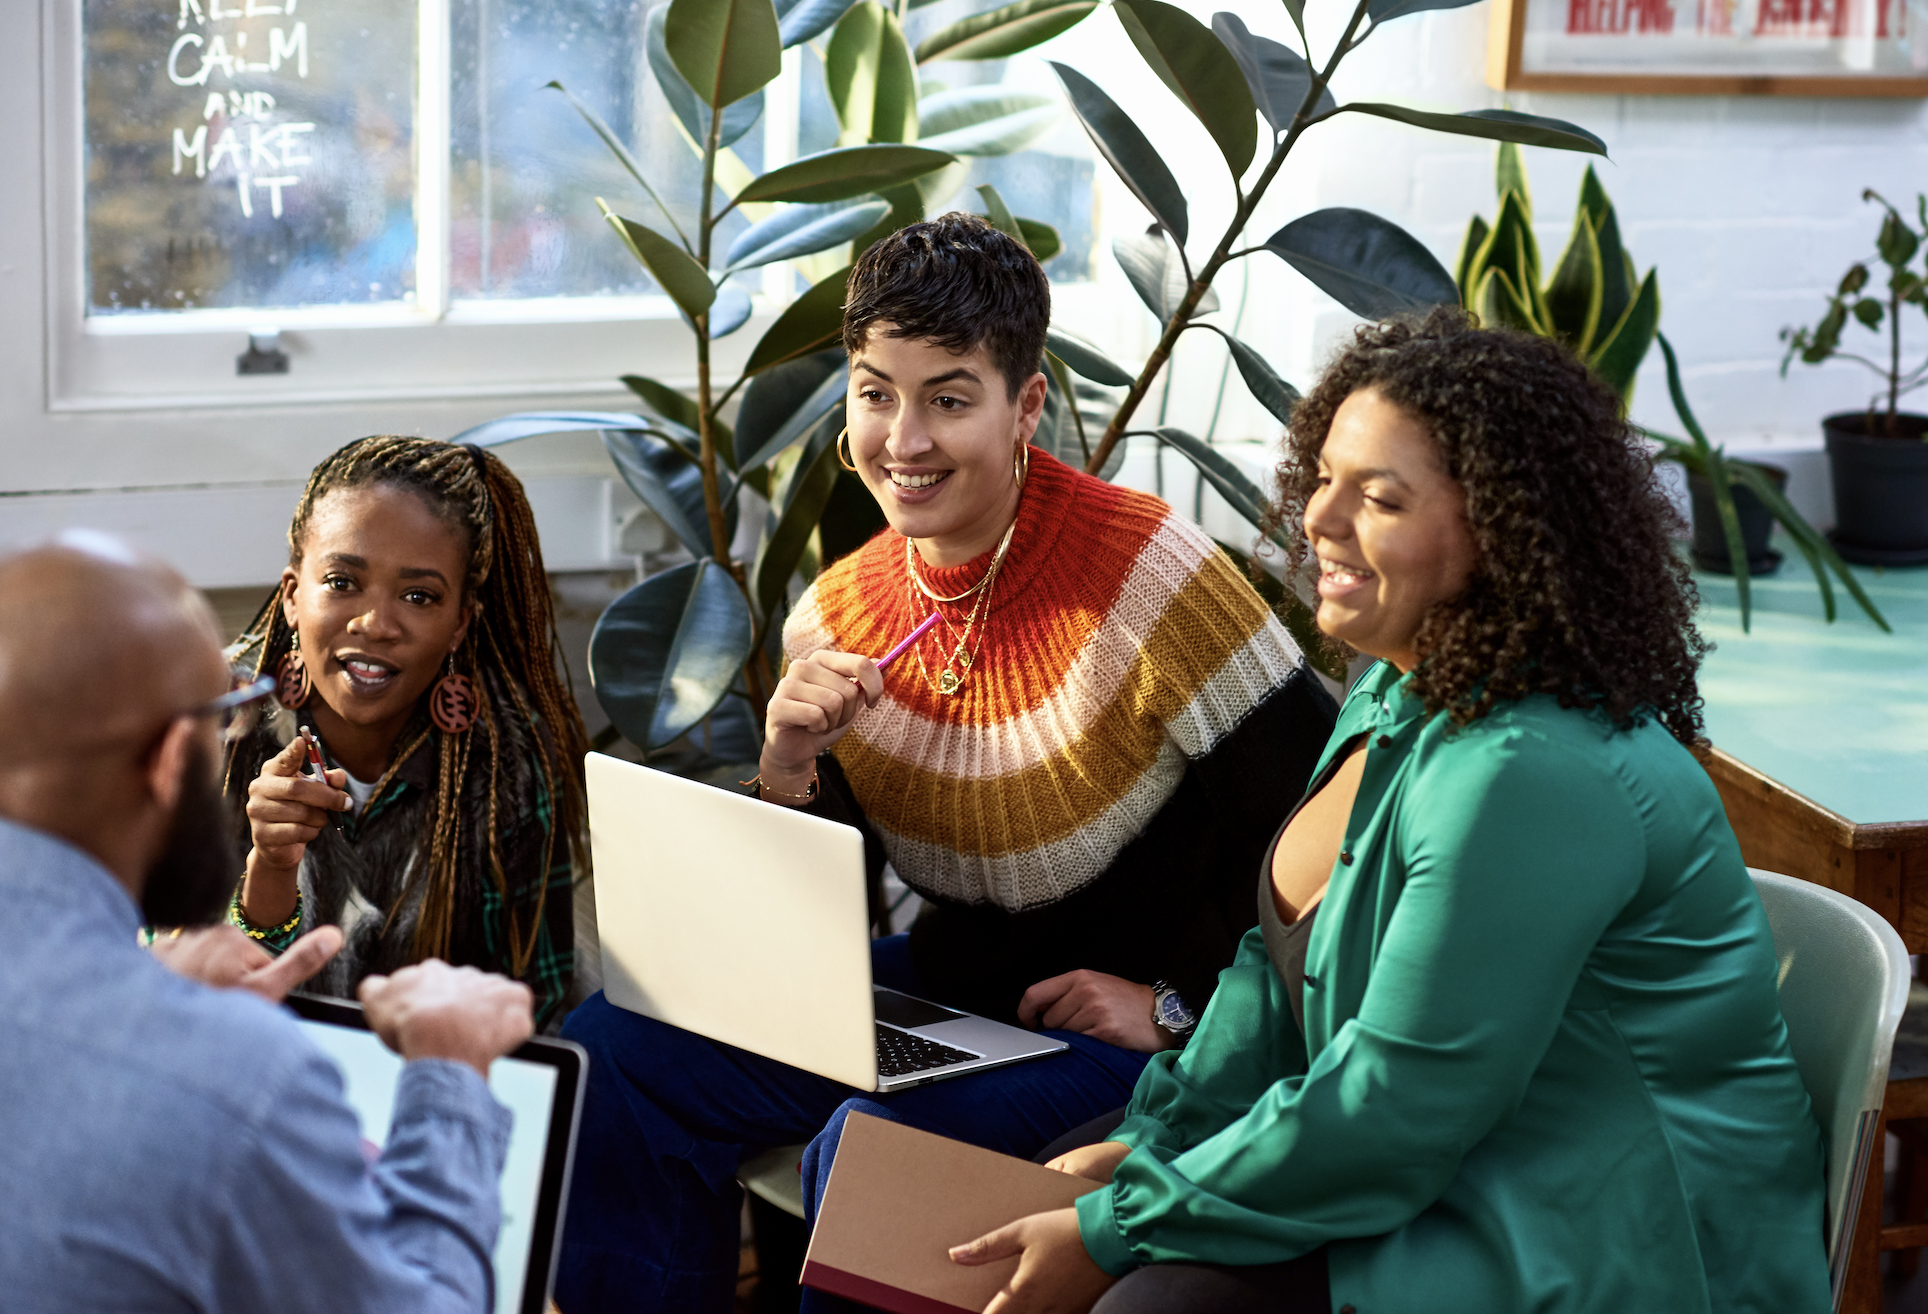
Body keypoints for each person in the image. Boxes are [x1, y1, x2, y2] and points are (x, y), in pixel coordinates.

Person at [940, 309, 1834, 1314]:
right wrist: (1157, 1148)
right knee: (1041, 1182)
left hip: (1589, 1232)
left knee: (1143, 1302)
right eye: (1323, 477)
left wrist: (1129, 1223)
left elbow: (1397, 1107)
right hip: (1441, 1165)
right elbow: (1267, 991)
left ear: (1502, 531)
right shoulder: (1393, 688)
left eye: (1379, 498)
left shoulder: (1529, 770)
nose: (1317, 519)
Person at [556, 212, 1339, 1312]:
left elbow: (1339, 845)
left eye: (948, 398)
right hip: (954, 1000)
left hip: (1142, 1029)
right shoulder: (834, 610)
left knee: (876, 1147)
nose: (903, 439)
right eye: (876, 392)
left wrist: (1180, 1009)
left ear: (1024, 406)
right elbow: (803, 925)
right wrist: (787, 767)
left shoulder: (1155, 579)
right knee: (608, 1055)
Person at [0, 534, 539, 1313]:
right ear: (166, 757)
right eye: (221, 713)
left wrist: (146, 993)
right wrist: (448, 1078)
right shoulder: (244, 1082)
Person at [225, 436, 593, 1028]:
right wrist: (269, 867)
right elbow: (167, 988)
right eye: (343, 582)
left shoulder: (509, 763)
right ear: (294, 596)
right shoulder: (213, 725)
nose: (376, 623)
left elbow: (531, 1005)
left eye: (419, 596)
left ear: (458, 625)